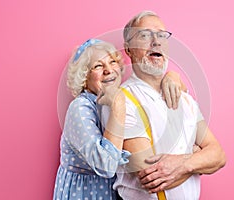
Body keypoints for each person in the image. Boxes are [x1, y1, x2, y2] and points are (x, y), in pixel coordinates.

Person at [101, 11, 226, 199]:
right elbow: (149, 175)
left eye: (161, 35)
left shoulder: (185, 99)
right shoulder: (121, 101)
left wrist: (183, 162)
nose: (156, 42)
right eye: (144, 35)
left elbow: (218, 155)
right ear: (128, 49)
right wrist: (198, 158)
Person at [53, 39, 186, 200]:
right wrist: (118, 104)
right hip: (86, 193)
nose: (108, 70)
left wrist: (171, 76)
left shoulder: (115, 98)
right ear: (84, 76)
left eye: (112, 62)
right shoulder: (80, 108)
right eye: (98, 66)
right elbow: (106, 165)